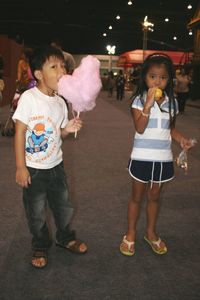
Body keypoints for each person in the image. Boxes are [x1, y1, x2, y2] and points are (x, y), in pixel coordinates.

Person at [12, 45, 87, 269]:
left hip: (56, 166)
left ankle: (65, 237)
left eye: (62, 65)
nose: (61, 70)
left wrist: (68, 127)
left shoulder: (61, 102)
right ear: (38, 74)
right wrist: (20, 167)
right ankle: (40, 244)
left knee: (63, 207)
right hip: (33, 168)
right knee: (35, 211)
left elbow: (59, 132)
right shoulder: (29, 98)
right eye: (53, 66)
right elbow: (20, 132)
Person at [119, 53, 195, 257]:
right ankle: (131, 233)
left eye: (162, 77)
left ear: (169, 79)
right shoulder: (138, 100)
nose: (157, 81)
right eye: (153, 76)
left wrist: (181, 140)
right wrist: (148, 105)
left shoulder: (172, 102)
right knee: (137, 197)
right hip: (142, 157)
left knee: (154, 197)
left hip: (163, 158)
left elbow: (170, 129)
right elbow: (140, 128)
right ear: (145, 77)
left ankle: (150, 232)